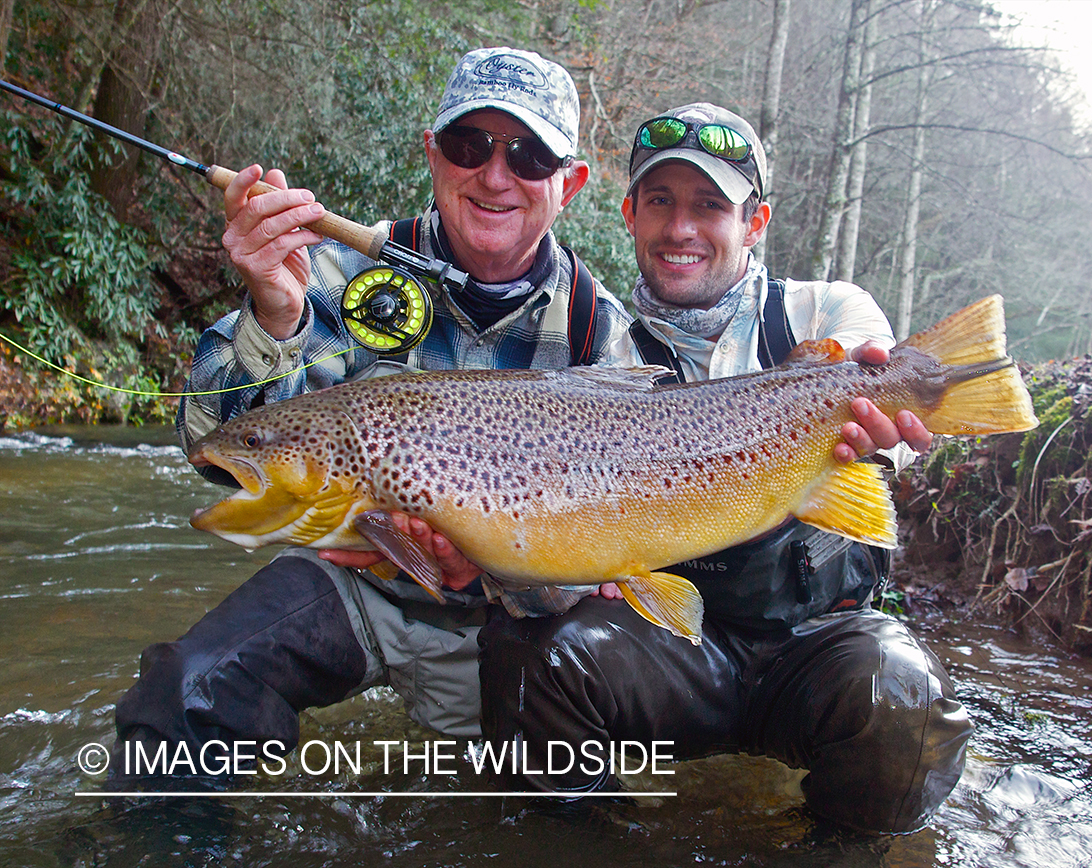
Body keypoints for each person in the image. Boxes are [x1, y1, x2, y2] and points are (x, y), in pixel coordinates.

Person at [108, 47, 634, 781]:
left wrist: (478, 563)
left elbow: (622, 538)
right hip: (354, 588)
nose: (493, 174)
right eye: (468, 144)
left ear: (568, 183)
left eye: (530, 156)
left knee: (564, 802)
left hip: (512, 624)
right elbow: (210, 452)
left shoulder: (597, 331)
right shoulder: (332, 271)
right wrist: (275, 316)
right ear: (432, 153)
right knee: (178, 705)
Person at [476, 103, 973, 834]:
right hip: (676, 651)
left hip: (816, 645)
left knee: (905, 700)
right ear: (630, 214)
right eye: (660, 203)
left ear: (756, 221)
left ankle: (836, 851)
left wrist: (889, 423)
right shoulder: (599, 357)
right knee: (528, 660)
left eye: (709, 206)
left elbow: (888, 417)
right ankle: (592, 843)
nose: (680, 229)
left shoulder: (824, 311)